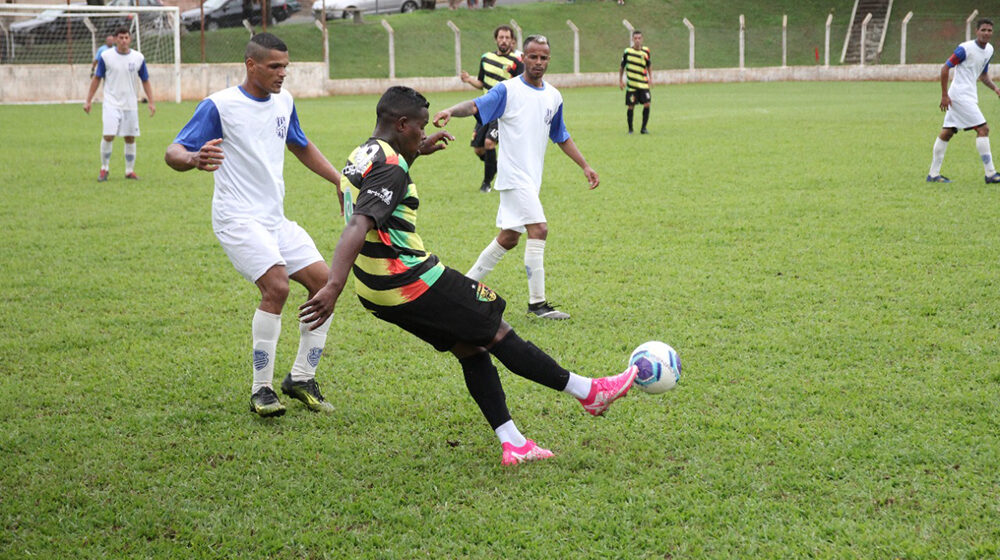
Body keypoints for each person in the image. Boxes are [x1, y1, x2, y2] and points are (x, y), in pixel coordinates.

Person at [299, 86, 638, 465]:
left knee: (470, 347)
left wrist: (417, 154)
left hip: (376, 291)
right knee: (496, 328)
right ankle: (589, 392)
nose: (424, 135)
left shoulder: (364, 154)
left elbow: (373, 194)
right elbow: (359, 223)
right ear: (401, 123)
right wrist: (332, 285)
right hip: (409, 280)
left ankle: (514, 443)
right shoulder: (392, 167)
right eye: (420, 129)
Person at [165, 33, 343, 418]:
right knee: (276, 286)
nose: (282, 74)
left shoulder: (285, 102)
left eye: (285, 66)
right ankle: (261, 389)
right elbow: (173, 151)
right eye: (274, 67)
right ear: (251, 65)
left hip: (273, 218)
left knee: (325, 283)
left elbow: (300, 144)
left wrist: (338, 180)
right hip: (236, 217)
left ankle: (301, 378)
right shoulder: (220, 105)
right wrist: (194, 158)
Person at [434, 35, 599, 321]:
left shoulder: (554, 96)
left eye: (543, 58)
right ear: (523, 58)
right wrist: (450, 110)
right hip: (513, 176)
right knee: (540, 230)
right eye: (533, 56)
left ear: (549, 60)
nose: (538, 62)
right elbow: (475, 105)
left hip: (531, 180)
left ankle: (460, 288)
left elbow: (560, 135)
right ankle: (538, 304)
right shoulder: (506, 91)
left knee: (509, 238)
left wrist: (584, 165)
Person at [927, 18, 1000, 184]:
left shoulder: (989, 50)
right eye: (983, 30)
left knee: (948, 132)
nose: (986, 33)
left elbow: (983, 76)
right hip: (960, 95)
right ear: (976, 31)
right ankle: (990, 174)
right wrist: (944, 95)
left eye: (989, 30)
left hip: (969, 95)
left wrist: (995, 88)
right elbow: (945, 68)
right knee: (983, 129)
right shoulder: (965, 49)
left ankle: (933, 174)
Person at [83, 27, 155, 182]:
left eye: (126, 37)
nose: (124, 40)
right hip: (111, 103)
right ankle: (104, 169)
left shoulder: (138, 58)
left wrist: (151, 101)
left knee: (130, 138)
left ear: (130, 39)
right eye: (121, 37)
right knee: (108, 135)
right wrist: (88, 100)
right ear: (115, 39)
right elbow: (97, 79)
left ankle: (129, 171)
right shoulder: (106, 56)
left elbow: (145, 80)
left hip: (130, 105)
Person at [459, 25, 523, 193]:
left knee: (489, 143)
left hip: (502, 110)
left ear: (512, 41)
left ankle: (487, 183)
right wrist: (468, 80)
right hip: (484, 108)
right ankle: (496, 168)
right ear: (496, 39)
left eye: (507, 38)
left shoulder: (517, 63)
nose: (504, 40)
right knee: (478, 149)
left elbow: (521, 88)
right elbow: (481, 83)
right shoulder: (485, 58)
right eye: (501, 37)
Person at [619, 29, 652, 134]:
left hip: (643, 84)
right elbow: (622, 66)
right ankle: (630, 129)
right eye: (635, 38)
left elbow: (649, 65)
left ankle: (643, 128)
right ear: (632, 39)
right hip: (632, 85)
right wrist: (620, 80)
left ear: (642, 39)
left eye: (639, 38)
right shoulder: (627, 52)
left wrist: (651, 78)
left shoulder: (646, 51)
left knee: (647, 104)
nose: (637, 40)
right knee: (631, 106)